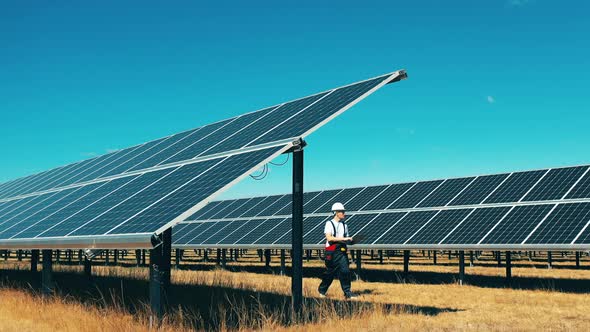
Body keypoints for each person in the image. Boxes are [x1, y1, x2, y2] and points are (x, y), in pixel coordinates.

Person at [317, 202, 358, 299]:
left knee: (345, 271)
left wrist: (350, 240)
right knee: (330, 272)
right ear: (336, 212)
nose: (344, 213)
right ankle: (322, 291)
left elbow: (345, 238)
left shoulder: (345, 225)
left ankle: (347, 293)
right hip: (331, 251)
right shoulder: (329, 223)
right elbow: (329, 238)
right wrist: (344, 239)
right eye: (342, 211)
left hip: (341, 251)